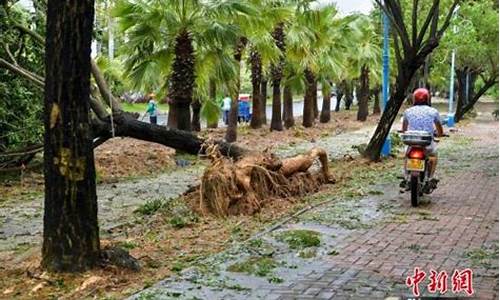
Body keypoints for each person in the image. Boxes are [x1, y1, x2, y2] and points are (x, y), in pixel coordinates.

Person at [401, 88, 444, 187]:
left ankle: (406, 176)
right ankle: (430, 178)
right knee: (433, 156)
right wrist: (439, 134)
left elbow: (404, 129)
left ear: (414, 99)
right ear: (427, 99)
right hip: (427, 142)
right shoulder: (433, 111)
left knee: (406, 156)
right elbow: (440, 130)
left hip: (411, 142)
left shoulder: (408, 111)